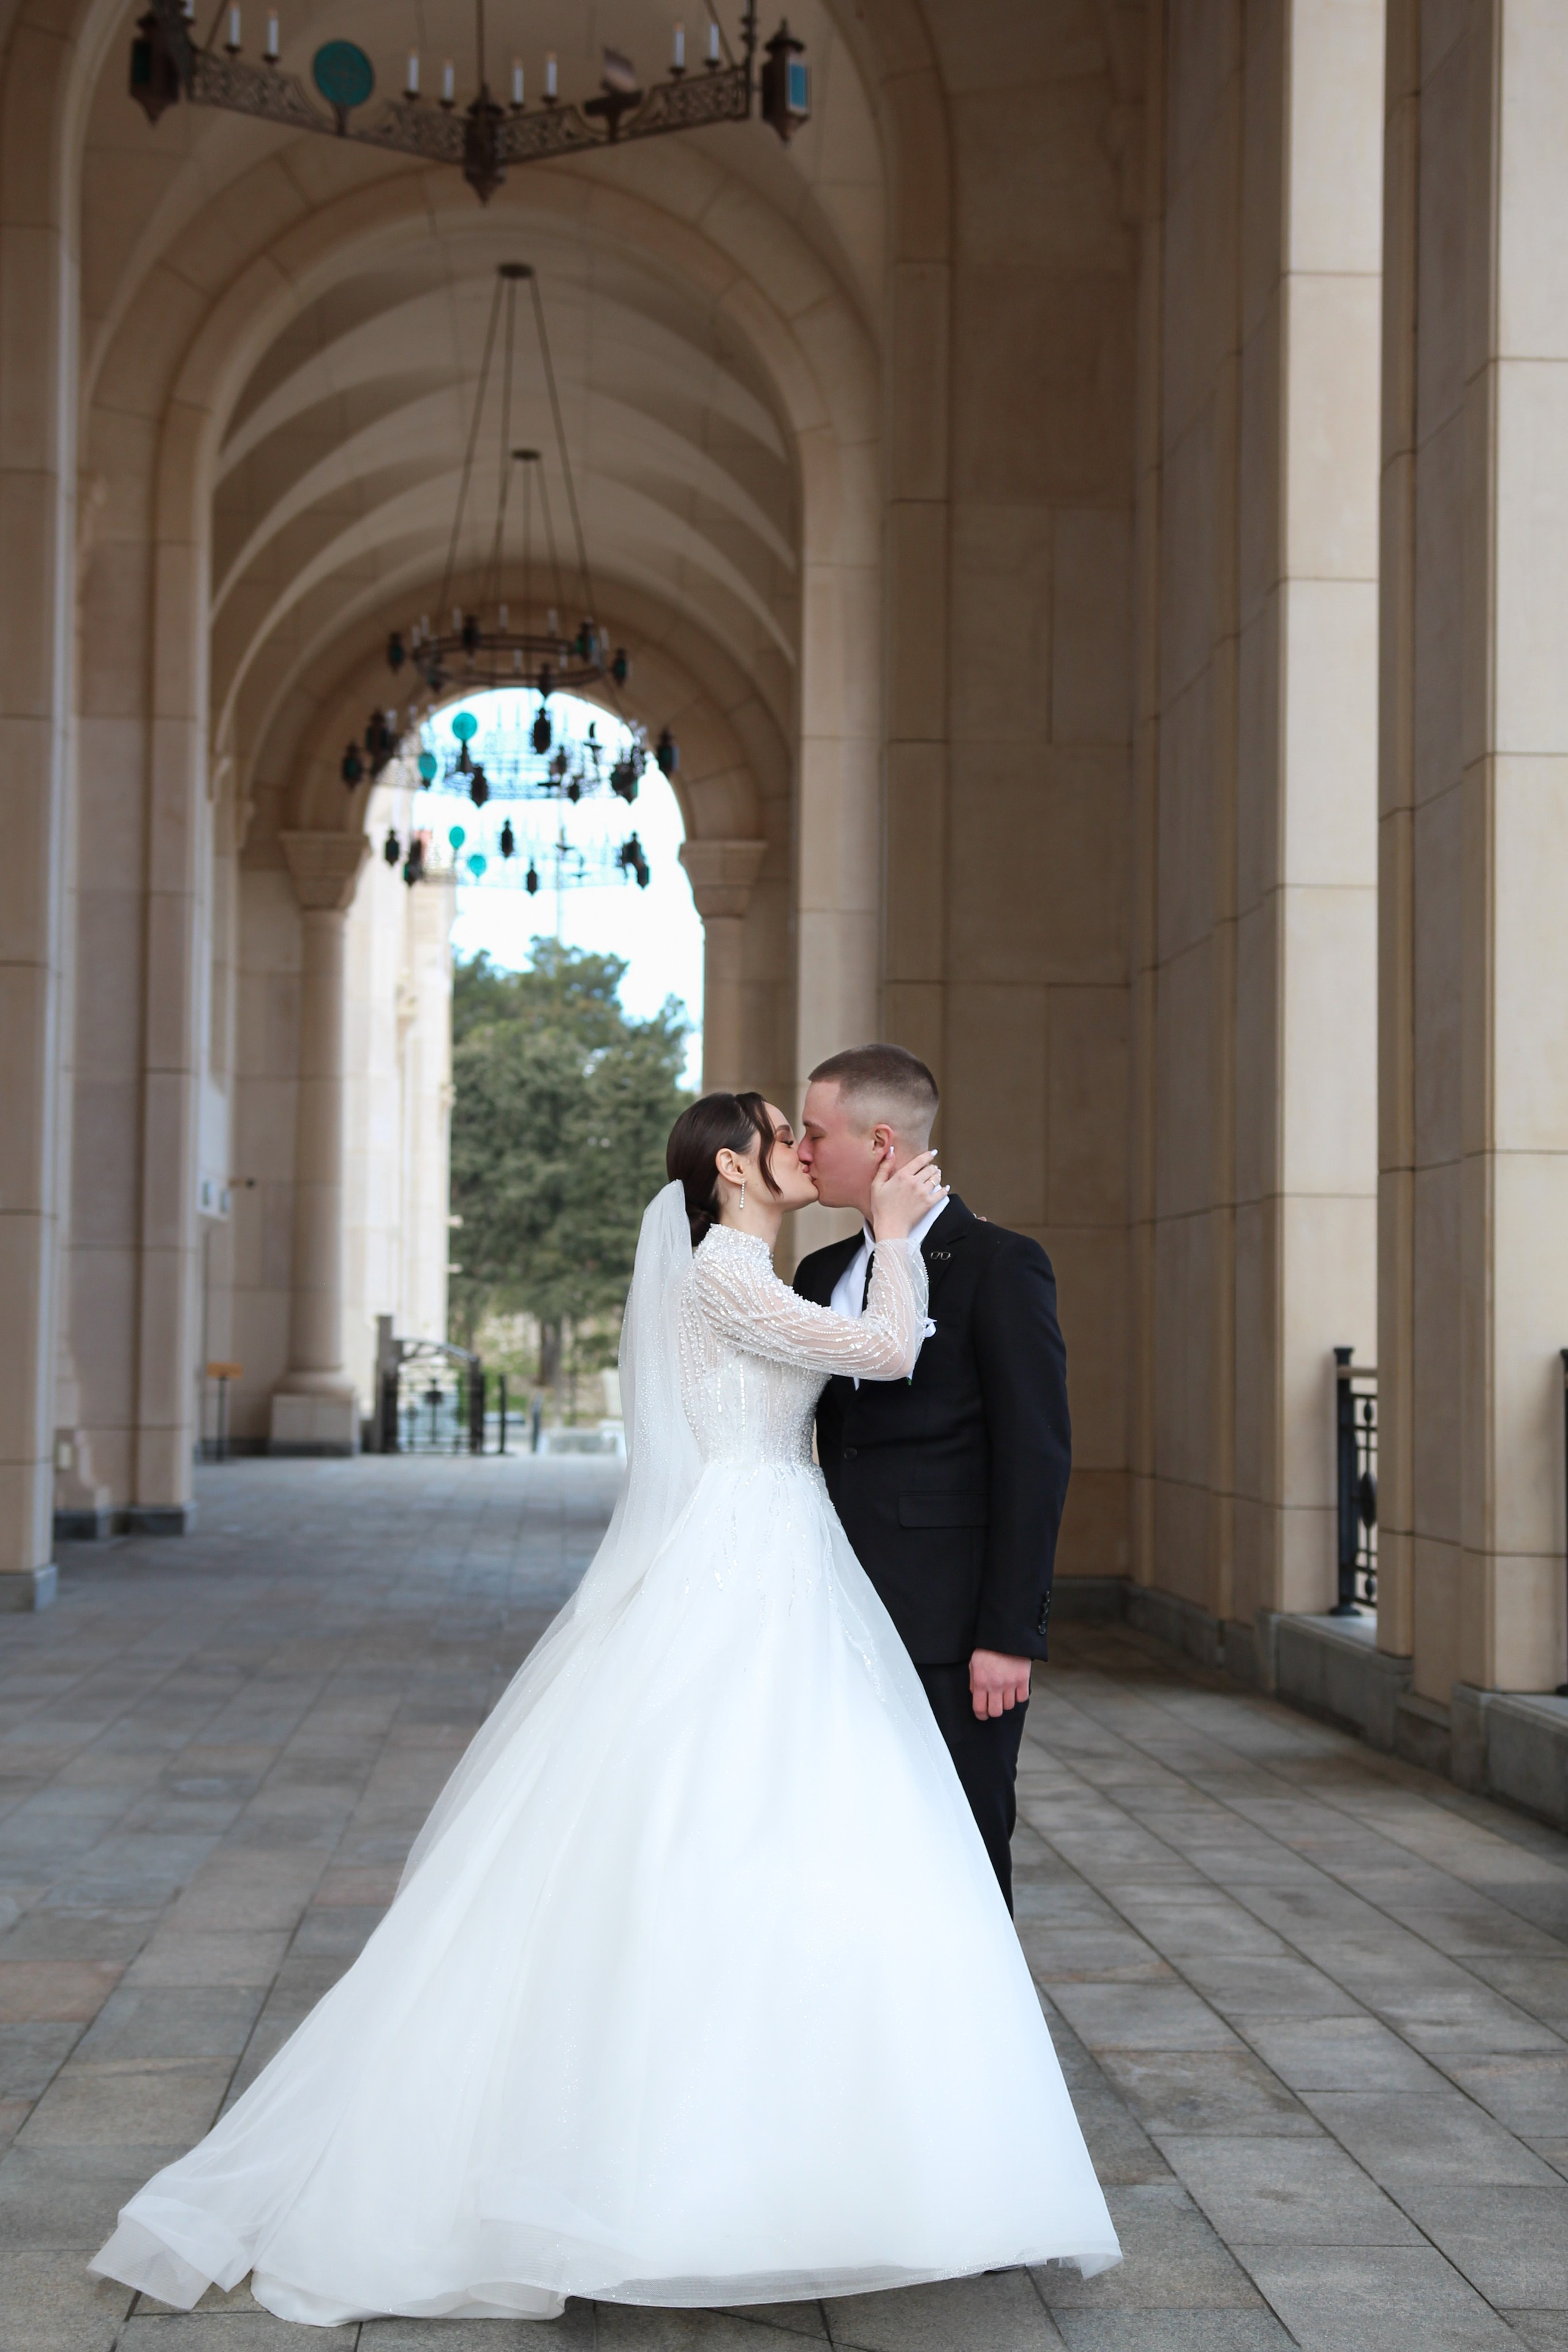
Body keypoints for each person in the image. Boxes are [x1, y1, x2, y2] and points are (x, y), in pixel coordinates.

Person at [91, 1094, 1118, 2325]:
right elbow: (891, 1351)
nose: (799, 1146)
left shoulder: (748, 1264)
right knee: (709, 1826)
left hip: (783, 1559)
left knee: (796, 1832)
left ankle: (829, 2140)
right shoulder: (727, 1272)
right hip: (752, 1563)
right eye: (781, 1132)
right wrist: (897, 1233)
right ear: (735, 1164)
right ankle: (692, 2164)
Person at [794, 1044, 1069, 1912]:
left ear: (880, 1142)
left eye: (813, 1133)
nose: (801, 1152)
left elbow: (1037, 1456)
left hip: (953, 1633)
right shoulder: (816, 1274)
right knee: (849, 1843)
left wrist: (1009, 1632)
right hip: (831, 1618)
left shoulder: (999, 1265)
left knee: (962, 1844)